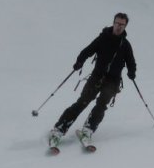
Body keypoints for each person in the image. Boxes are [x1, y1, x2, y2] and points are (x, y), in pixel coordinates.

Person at [50, 13, 136, 144]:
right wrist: (80, 62)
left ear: (125, 26)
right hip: (97, 77)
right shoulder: (103, 38)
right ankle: (59, 129)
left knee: (101, 106)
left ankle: (88, 130)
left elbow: (131, 62)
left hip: (113, 81)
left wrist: (132, 72)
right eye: (117, 23)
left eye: (122, 25)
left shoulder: (125, 45)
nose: (119, 26)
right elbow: (87, 51)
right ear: (113, 22)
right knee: (82, 102)